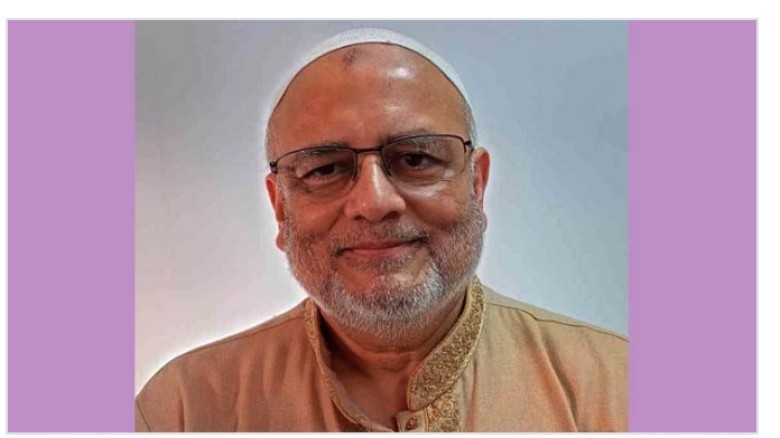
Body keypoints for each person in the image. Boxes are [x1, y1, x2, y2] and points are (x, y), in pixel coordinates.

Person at [134, 28, 628, 432]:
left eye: (415, 159)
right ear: (280, 208)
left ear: (476, 185)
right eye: (325, 169)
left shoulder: (617, 389)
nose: (373, 203)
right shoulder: (183, 409)